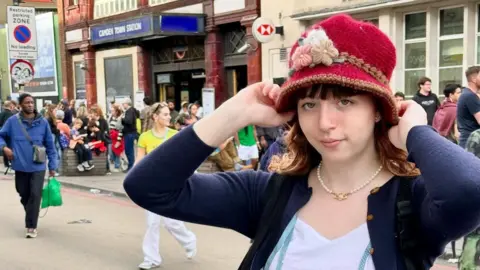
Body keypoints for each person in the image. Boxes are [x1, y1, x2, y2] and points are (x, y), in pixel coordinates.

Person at [124, 15, 480, 269]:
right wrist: (234, 113)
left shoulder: (414, 203)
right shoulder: (269, 194)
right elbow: (149, 188)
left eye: (345, 101)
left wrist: (414, 131)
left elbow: (471, 189)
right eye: (309, 104)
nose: (325, 123)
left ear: (378, 110)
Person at [136, 102, 197, 270]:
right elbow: (139, 161)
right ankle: (151, 258)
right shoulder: (145, 137)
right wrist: (134, 181)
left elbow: (184, 158)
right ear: (155, 117)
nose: (169, 117)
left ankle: (189, 241)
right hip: (151, 186)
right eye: (164, 114)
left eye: (168, 114)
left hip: (171, 185)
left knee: (172, 223)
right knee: (152, 223)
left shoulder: (174, 135)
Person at [0, 93, 57, 238]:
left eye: (32, 102)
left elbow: (50, 145)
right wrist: (4, 148)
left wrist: (52, 166)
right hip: (20, 165)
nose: (30, 105)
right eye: (27, 102)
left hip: (38, 166)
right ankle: (31, 211)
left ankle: (31, 226)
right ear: (20, 105)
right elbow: (1, 136)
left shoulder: (43, 122)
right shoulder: (13, 121)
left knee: (35, 195)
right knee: (23, 193)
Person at [457, 66, 480, 149]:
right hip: (471, 145)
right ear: (474, 79)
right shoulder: (470, 96)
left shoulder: (467, 94)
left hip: (468, 142)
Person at [121, 98, 137, 172]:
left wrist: (122, 119)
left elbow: (129, 121)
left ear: (127, 104)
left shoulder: (129, 111)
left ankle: (131, 167)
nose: (122, 105)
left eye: (123, 104)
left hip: (129, 133)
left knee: (129, 151)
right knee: (129, 151)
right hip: (130, 133)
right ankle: (131, 166)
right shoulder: (131, 110)